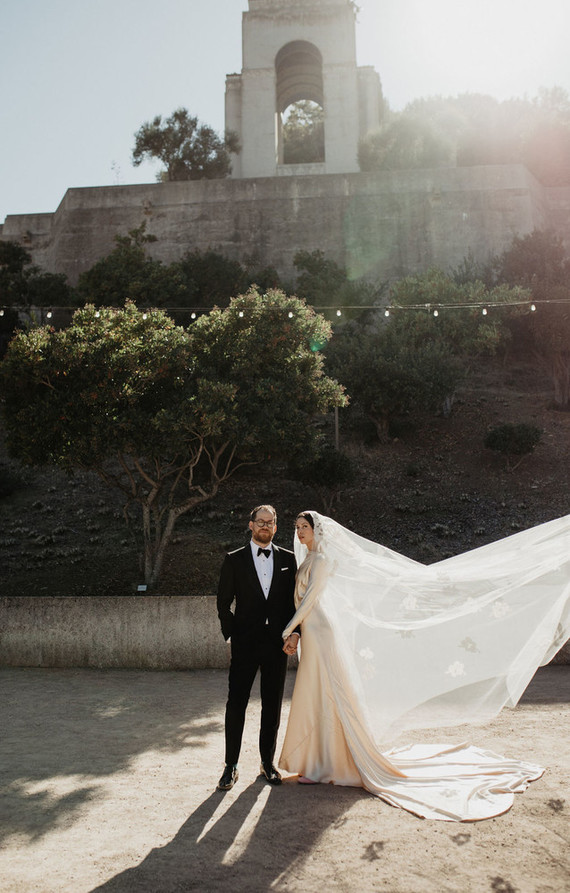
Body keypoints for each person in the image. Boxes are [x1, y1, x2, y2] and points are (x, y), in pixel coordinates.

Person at [279, 510, 570, 821]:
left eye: (305, 527)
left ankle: (329, 762)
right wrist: (297, 630)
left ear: (318, 531)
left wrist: (289, 627)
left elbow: (311, 598)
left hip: (321, 631)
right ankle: (317, 761)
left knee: (327, 692)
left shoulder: (322, 561)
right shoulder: (307, 560)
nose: (300, 533)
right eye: (297, 528)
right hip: (311, 631)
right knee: (315, 694)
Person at [216, 504, 299, 791]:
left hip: (277, 646)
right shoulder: (234, 560)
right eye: (260, 521)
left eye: (270, 522)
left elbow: (296, 604)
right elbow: (223, 603)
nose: (265, 526)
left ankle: (267, 763)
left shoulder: (289, 560)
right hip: (244, 644)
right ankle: (231, 766)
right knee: (236, 703)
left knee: (272, 706)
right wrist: (232, 635)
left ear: (276, 527)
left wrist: (295, 633)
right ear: (250, 525)